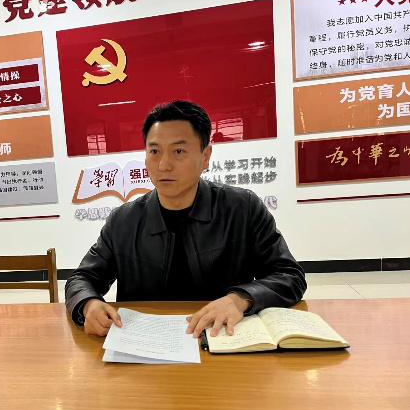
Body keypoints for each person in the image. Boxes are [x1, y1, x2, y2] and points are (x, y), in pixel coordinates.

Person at [65, 100, 306, 338]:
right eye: (154, 151)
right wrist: (89, 304)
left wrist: (240, 298)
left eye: (178, 151)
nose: (164, 165)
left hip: (221, 337)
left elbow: (289, 276)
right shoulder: (123, 221)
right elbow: (82, 279)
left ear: (205, 156)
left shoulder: (242, 209)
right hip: (146, 345)